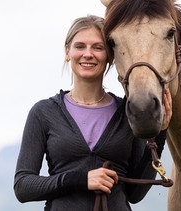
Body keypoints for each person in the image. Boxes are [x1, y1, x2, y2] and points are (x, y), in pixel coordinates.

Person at [13, 15, 172, 211]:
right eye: (80, 46)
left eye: (98, 47)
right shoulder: (43, 112)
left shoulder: (127, 113)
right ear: (67, 52)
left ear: (110, 55)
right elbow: (23, 186)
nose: (88, 54)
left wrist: (161, 133)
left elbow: (135, 194)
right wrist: (80, 179)